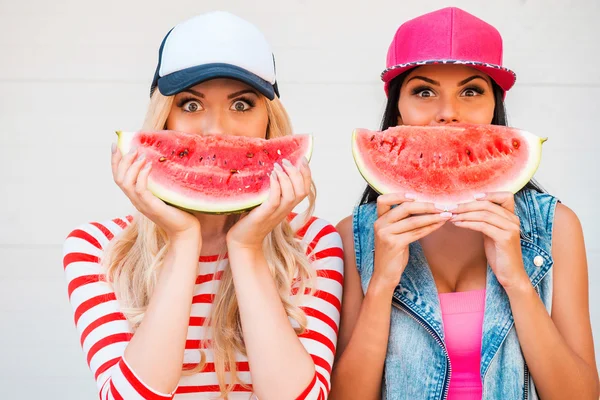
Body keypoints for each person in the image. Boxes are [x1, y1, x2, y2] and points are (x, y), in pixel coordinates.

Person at [62, 11, 343, 400]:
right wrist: (182, 241)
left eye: (242, 105)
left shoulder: (312, 244)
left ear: (269, 122)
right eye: (191, 105)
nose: (217, 131)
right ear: (162, 120)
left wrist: (246, 249)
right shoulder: (97, 248)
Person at [330, 7, 599, 400]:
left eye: (471, 91)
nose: (448, 113)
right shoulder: (354, 236)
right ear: (397, 106)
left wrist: (517, 281)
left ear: (496, 106)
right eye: (424, 91)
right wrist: (382, 282)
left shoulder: (555, 227)